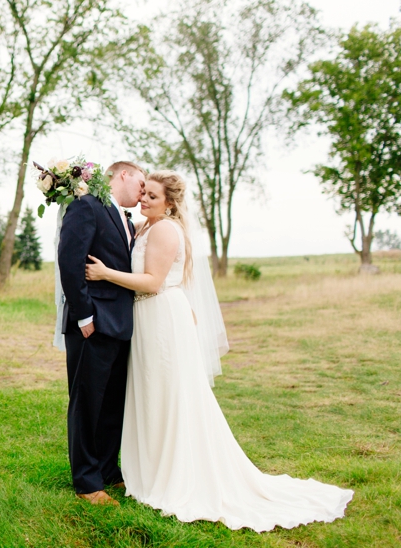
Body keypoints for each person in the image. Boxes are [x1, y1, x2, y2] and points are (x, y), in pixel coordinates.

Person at [85, 170, 353, 531]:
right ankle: (153, 468)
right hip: (150, 317)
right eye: (144, 193)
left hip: (160, 316)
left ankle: (176, 475)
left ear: (170, 203)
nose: (144, 199)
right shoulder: (147, 227)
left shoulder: (164, 229)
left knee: (170, 396)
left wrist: (105, 274)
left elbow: (152, 281)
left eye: (152, 196)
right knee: (155, 395)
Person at [57, 161, 146, 506]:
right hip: (92, 325)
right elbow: (70, 261)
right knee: (87, 405)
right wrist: (83, 317)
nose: (143, 190)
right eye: (141, 181)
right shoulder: (86, 205)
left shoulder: (124, 218)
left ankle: (109, 471)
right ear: (123, 174)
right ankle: (87, 483)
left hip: (121, 325)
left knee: (112, 405)